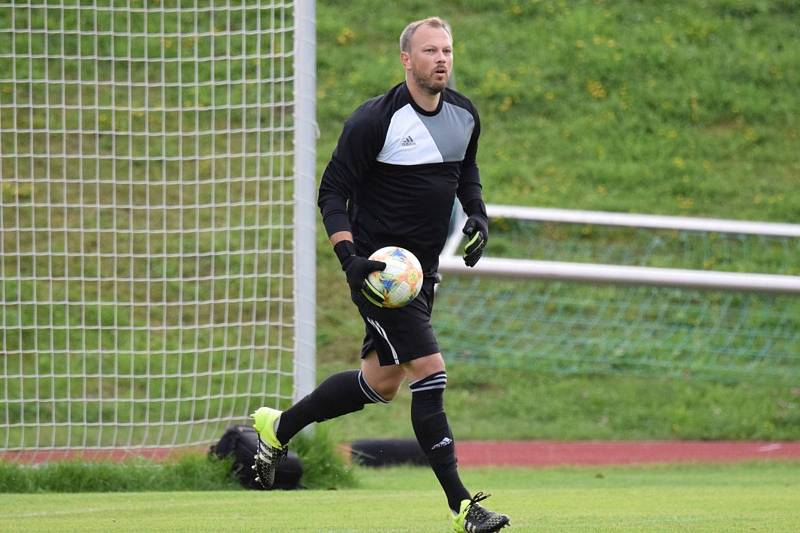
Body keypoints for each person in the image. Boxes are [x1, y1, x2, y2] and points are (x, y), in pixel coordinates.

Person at [252, 16, 510, 532]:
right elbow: (332, 192)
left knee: (382, 383)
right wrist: (349, 259)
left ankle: (278, 427)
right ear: (406, 60)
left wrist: (477, 213)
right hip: (379, 272)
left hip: (423, 274)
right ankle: (463, 506)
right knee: (430, 369)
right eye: (430, 51)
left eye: (447, 51)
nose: (442, 59)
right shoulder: (375, 120)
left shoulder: (464, 115)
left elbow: (467, 171)